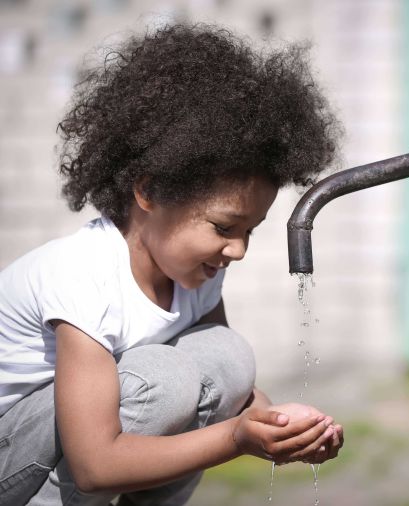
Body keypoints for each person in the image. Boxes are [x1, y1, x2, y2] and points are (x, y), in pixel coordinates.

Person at [0, 23, 343, 505]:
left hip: (57, 446)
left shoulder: (195, 277)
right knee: (164, 377)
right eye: (224, 228)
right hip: (10, 458)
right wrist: (235, 439)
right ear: (149, 192)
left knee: (227, 356)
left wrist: (283, 428)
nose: (238, 251)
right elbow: (95, 465)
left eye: (251, 230)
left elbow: (237, 394)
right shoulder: (80, 277)